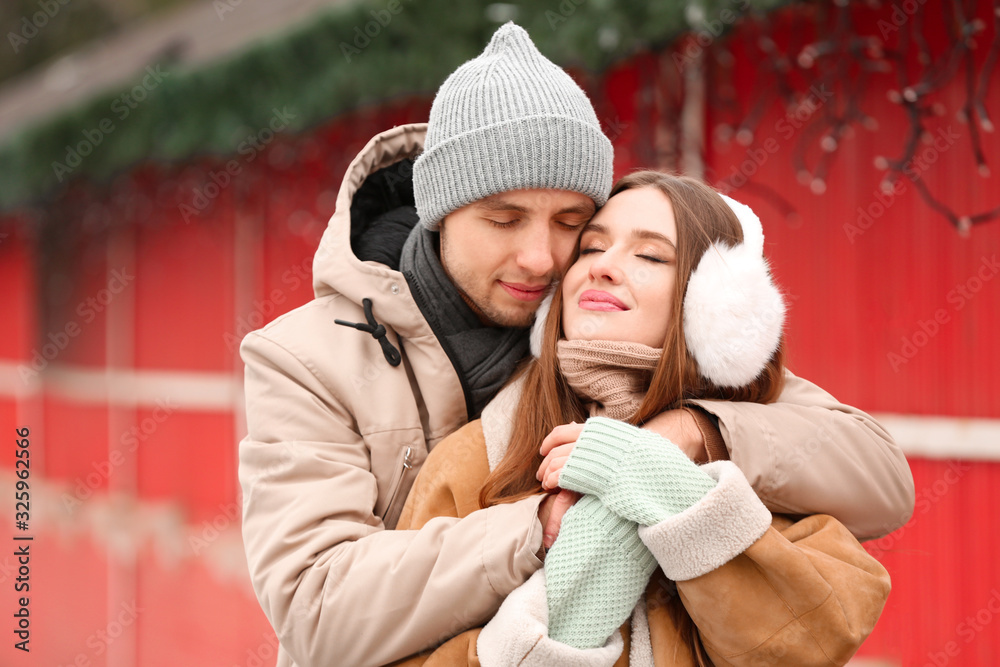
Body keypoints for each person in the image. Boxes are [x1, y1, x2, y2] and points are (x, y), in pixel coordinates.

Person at [238, 23, 911, 667]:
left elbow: (876, 473)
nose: (540, 257)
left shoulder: (604, 337)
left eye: (572, 224)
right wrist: (544, 525)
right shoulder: (303, 359)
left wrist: (690, 431)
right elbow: (318, 609)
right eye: (503, 218)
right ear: (440, 212)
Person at [391, 172, 892, 666]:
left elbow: (813, 641)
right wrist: (557, 628)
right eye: (589, 249)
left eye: (650, 255)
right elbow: (400, 650)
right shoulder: (475, 456)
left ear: (712, 307)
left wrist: (677, 497)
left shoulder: (761, 463)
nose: (603, 268)